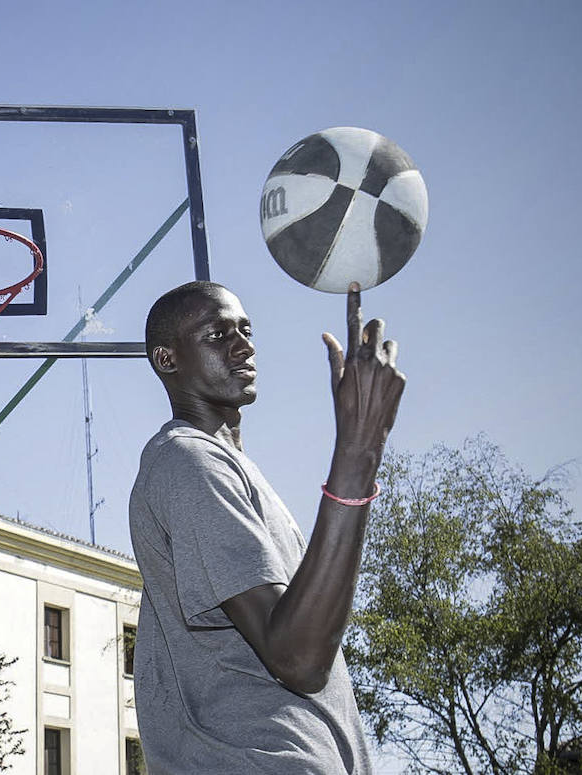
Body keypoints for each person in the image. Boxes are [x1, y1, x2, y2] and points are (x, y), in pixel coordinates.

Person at [128, 280, 404, 774]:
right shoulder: (187, 462)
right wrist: (358, 451)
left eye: (246, 330)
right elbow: (297, 659)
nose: (244, 345)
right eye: (217, 334)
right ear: (167, 359)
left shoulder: (230, 467)